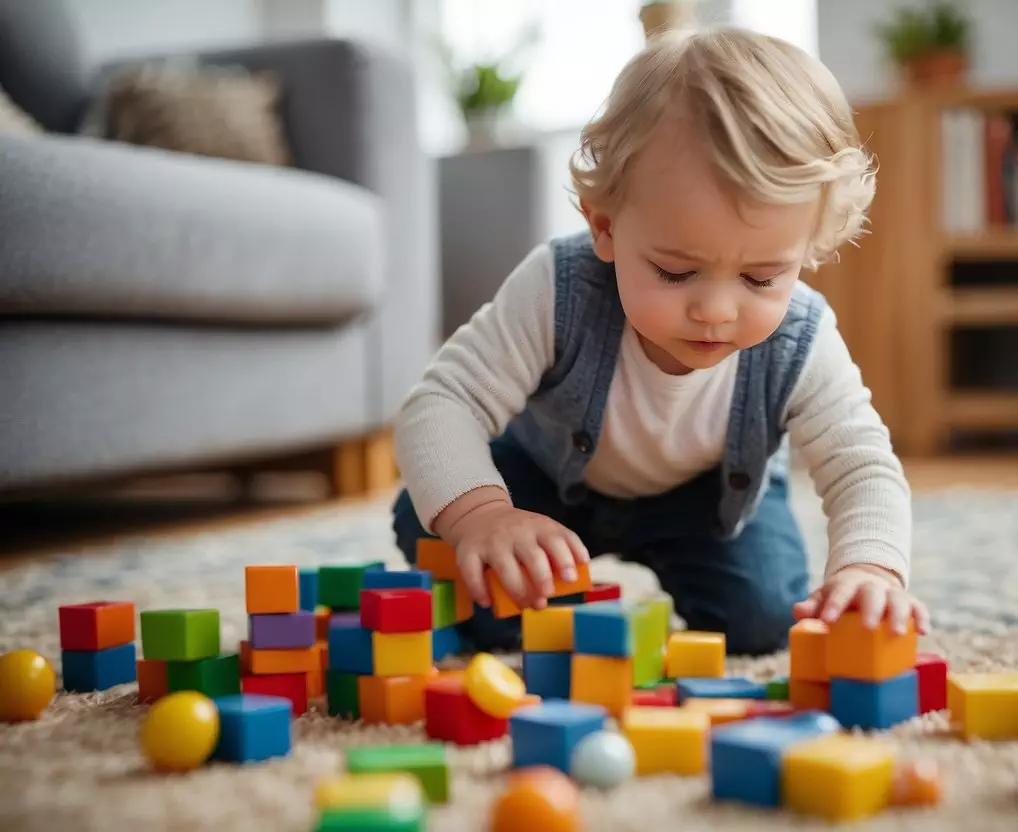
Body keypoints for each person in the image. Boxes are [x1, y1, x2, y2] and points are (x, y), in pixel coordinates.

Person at [391, 25, 930, 654]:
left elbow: (862, 465)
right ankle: (553, 584)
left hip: (705, 506)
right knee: (442, 536)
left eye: (761, 277)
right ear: (606, 228)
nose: (715, 310)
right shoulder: (557, 287)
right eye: (675, 272)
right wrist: (483, 515)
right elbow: (440, 404)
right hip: (544, 485)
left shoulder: (802, 338)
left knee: (761, 624)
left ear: (808, 248)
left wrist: (871, 568)